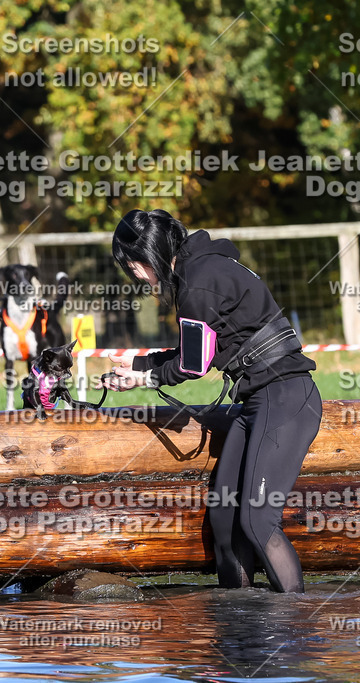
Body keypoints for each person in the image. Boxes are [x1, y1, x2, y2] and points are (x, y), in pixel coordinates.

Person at [106, 209, 322, 592]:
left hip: (285, 396)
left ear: (151, 252)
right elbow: (199, 348)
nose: (136, 274)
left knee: (257, 520)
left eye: (135, 264)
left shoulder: (198, 282)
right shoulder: (201, 271)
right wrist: (138, 364)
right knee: (224, 517)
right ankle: (238, 624)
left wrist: (144, 377)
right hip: (258, 399)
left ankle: (294, 624)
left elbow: (194, 365)